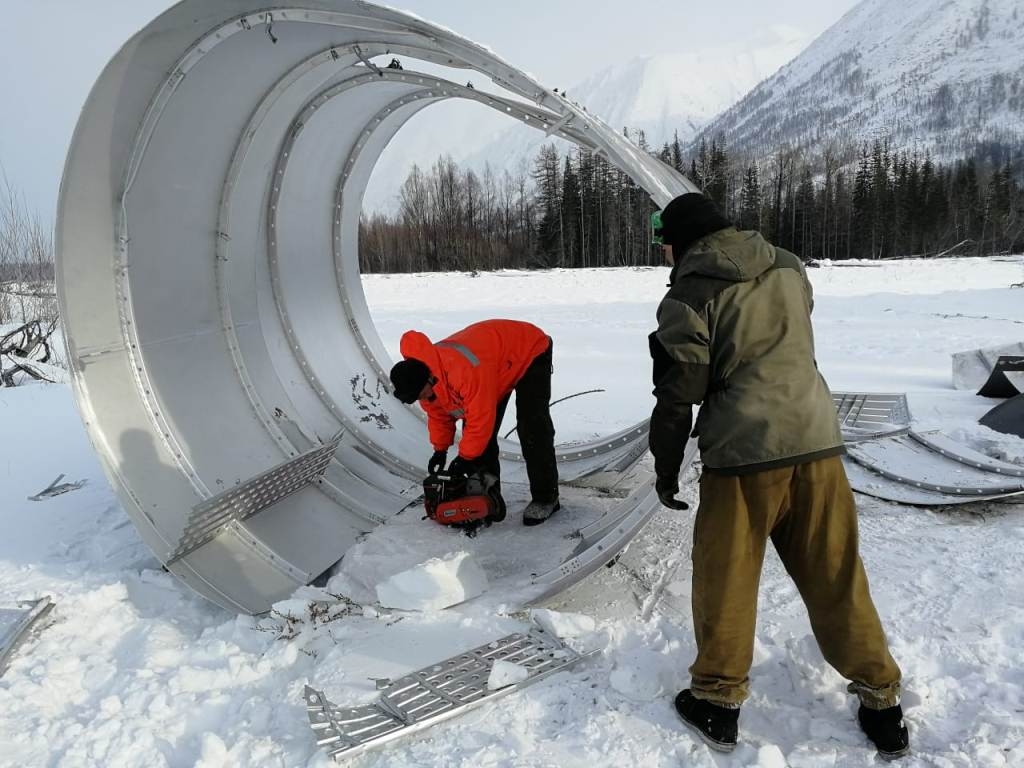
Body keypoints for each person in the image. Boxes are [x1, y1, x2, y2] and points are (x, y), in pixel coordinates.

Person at [648, 193, 908, 758]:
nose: (662, 249)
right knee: (835, 573)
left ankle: (717, 702)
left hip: (743, 454)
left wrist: (665, 469)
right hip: (816, 438)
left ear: (683, 239)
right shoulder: (789, 266)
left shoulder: (689, 294)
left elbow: (679, 397)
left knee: (726, 579)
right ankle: (882, 700)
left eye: (662, 239)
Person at [389, 319, 560, 525]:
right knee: (481, 444)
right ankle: (487, 499)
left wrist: (465, 458)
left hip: (527, 349)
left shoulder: (462, 372)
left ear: (427, 381)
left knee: (532, 427)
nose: (419, 399)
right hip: (494, 367)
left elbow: (480, 420)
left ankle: (546, 498)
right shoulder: (425, 382)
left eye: (418, 395)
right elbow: (439, 416)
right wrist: (440, 450)